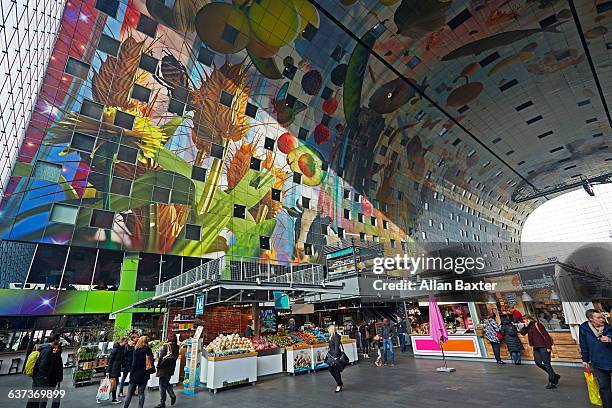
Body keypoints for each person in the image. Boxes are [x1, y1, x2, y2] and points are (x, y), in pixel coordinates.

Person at [579, 309, 612, 408]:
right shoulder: (584, 328)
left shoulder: (608, 327)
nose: (602, 319)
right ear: (590, 319)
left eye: (602, 317)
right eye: (598, 317)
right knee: (604, 387)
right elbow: (583, 345)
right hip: (597, 362)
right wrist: (585, 360)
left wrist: (610, 339)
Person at [520, 315, 560, 389]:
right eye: (524, 320)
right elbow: (522, 333)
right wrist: (525, 326)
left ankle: (552, 382)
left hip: (544, 347)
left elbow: (546, 335)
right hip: (536, 347)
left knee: (547, 364)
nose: (524, 321)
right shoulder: (528, 327)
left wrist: (548, 347)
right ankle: (554, 375)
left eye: (525, 320)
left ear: (530, 319)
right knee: (538, 362)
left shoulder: (538, 324)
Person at [123, 336, 154, 408]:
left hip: (135, 375)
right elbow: (151, 361)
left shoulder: (136, 351)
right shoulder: (149, 350)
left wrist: (131, 374)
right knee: (141, 393)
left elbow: (134, 364)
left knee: (129, 394)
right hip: (145, 374)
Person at [26, 336, 58, 408]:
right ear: (55, 340)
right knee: (43, 399)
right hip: (42, 377)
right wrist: (45, 377)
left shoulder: (41, 347)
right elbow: (44, 365)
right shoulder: (48, 350)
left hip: (36, 375)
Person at [155, 344, 177, 408]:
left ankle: (162, 404)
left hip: (163, 372)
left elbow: (160, 359)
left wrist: (158, 366)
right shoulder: (175, 348)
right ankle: (172, 395)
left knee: (162, 387)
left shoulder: (165, 347)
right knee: (166, 383)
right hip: (169, 371)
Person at [108, 337, 128, 403]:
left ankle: (113, 398)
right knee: (114, 383)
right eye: (125, 342)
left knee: (114, 383)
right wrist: (108, 371)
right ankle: (113, 399)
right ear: (123, 341)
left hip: (117, 368)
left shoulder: (122, 349)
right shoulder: (116, 349)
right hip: (113, 369)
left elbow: (122, 359)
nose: (126, 343)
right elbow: (110, 360)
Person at [327, 324, 343, 392]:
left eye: (328, 329)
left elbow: (337, 347)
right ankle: (339, 383)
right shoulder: (331, 336)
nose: (327, 330)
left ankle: (339, 385)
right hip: (331, 355)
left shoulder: (336, 336)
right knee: (331, 370)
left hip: (335, 356)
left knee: (335, 371)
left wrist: (336, 357)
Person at [47, 343, 64, 408]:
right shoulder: (56, 356)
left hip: (53, 378)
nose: (55, 349)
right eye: (54, 348)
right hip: (54, 378)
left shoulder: (55, 355)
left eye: (56, 348)